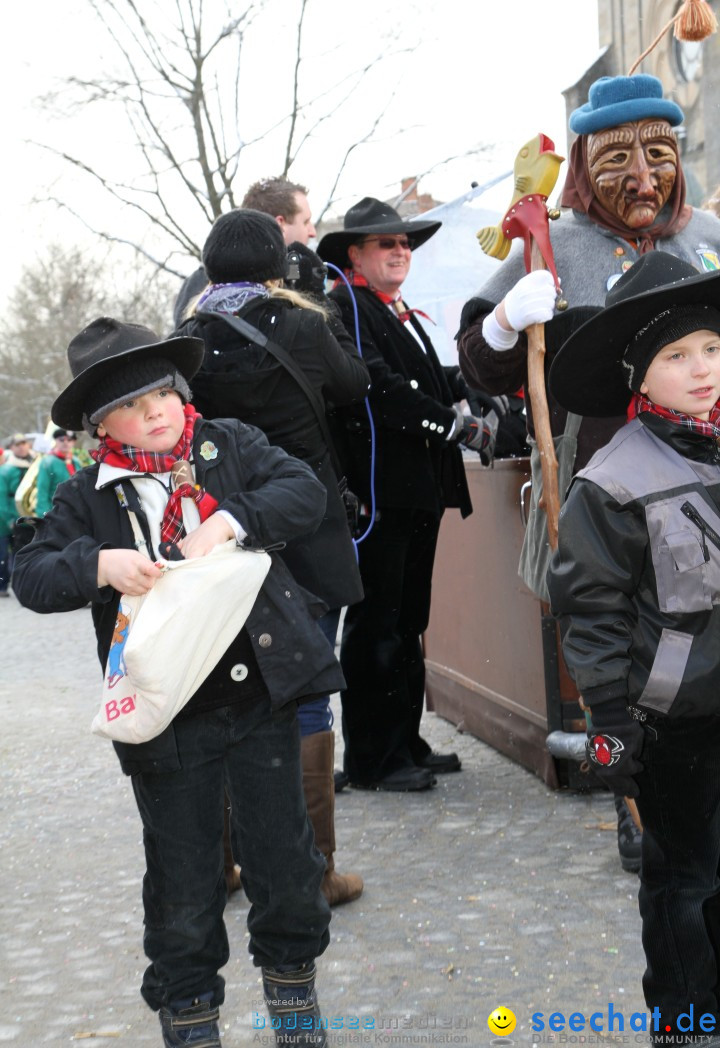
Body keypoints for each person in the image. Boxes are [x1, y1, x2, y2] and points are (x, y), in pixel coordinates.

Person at [11, 317, 341, 1048]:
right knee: (184, 886)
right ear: (101, 425)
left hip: (260, 699)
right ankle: (191, 1023)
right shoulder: (90, 493)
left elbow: (304, 492)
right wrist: (98, 565)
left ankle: (297, 1017)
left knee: (286, 865)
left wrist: (229, 520)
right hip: (167, 721)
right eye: (132, 405)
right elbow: (30, 575)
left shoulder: (229, 445)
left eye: (162, 391)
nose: (156, 410)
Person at [457, 73, 720, 871]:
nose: (643, 179)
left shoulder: (706, 234)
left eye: (660, 154)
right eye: (618, 160)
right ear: (581, 163)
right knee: (621, 647)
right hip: (614, 485)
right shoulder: (554, 244)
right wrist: (505, 322)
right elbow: (481, 365)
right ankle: (633, 795)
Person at [172, 208, 369, 905]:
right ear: (276, 268)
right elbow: (352, 387)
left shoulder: (186, 342)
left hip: (223, 531)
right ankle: (311, 872)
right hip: (307, 525)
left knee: (228, 689)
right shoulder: (307, 324)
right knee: (309, 690)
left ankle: (227, 865)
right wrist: (326, 313)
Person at [546, 251, 720, 1045]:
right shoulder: (612, 482)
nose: (702, 369)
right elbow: (589, 611)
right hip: (676, 725)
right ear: (640, 381)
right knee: (687, 884)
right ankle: (686, 1023)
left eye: (713, 349)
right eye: (677, 357)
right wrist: (609, 719)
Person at [316, 196, 493, 792]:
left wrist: (481, 382)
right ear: (354, 255)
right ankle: (373, 759)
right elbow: (382, 388)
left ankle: (405, 742)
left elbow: (430, 376)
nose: (400, 251)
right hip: (380, 492)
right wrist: (454, 423)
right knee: (377, 625)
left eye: (405, 244)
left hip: (417, 489)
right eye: (386, 243)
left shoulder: (396, 312)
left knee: (407, 620)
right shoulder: (346, 308)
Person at [173, 177, 318, 328]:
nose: (312, 232)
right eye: (306, 222)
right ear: (279, 225)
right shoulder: (204, 282)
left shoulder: (295, 275)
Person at [0, 434, 35, 597]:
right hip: (12, 518)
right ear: (11, 448)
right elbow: (2, 497)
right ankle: (9, 585)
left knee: (30, 552)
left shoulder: (36, 465)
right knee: (10, 554)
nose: (21, 446)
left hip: (32, 518)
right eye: (17, 444)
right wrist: (9, 519)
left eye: (24, 443)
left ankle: (29, 584)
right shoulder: (6, 470)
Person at [35, 429, 84, 517]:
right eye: (61, 440)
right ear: (56, 441)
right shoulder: (47, 462)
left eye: (69, 440)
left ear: (73, 442)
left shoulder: (76, 461)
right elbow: (42, 492)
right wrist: (45, 517)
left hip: (76, 512)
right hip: (57, 512)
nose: (65, 442)